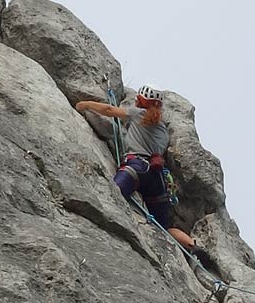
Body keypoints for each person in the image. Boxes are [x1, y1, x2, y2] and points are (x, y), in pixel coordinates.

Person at [75, 86, 219, 275]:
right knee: (165, 226)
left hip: (136, 168)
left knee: (113, 195)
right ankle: (193, 247)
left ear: (144, 102)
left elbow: (110, 111)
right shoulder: (163, 131)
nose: (136, 101)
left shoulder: (138, 114)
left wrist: (84, 104)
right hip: (157, 180)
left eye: (139, 99)